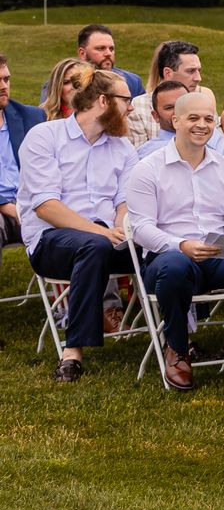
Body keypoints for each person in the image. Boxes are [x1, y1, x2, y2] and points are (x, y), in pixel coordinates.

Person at [124, 87, 224, 388]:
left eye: (207, 118)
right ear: (175, 120)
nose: (201, 125)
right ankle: (177, 349)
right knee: (175, 266)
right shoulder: (148, 169)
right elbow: (140, 228)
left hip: (218, 258)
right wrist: (181, 246)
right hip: (169, 259)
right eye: (193, 118)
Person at [18, 66, 139, 381]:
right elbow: (47, 207)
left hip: (107, 237)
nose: (132, 106)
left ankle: (177, 339)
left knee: (162, 248)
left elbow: (125, 201)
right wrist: (103, 232)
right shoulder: (45, 137)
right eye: (126, 99)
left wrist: (121, 228)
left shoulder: (122, 147)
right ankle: (73, 352)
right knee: (94, 245)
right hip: (51, 240)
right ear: (103, 101)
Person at [2, 52, 48, 250]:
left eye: (6, 79)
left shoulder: (31, 117)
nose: (3, 86)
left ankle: (74, 281)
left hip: (34, 205)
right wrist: (5, 205)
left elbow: (48, 168)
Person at [125, 40, 203, 146]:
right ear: (168, 73)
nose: (198, 78)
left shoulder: (203, 101)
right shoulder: (139, 107)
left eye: (199, 71)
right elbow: (140, 156)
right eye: (190, 71)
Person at [76, 24, 145, 98]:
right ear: (82, 53)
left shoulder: (133, 82)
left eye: (111, 49)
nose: (108, 53)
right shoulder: (70, 83)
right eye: (100, 48)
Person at [133, 80, 188, 158]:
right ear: (156, 116)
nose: (177, 111)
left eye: (182, 104)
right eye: (169, 108)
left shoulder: (209, 138)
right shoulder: (150, 154)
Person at [40, 57, 87, 121]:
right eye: (66, 82)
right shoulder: (41, 115)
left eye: (78, 81)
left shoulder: (101, 113)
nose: (74, 87)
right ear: (57, 87)